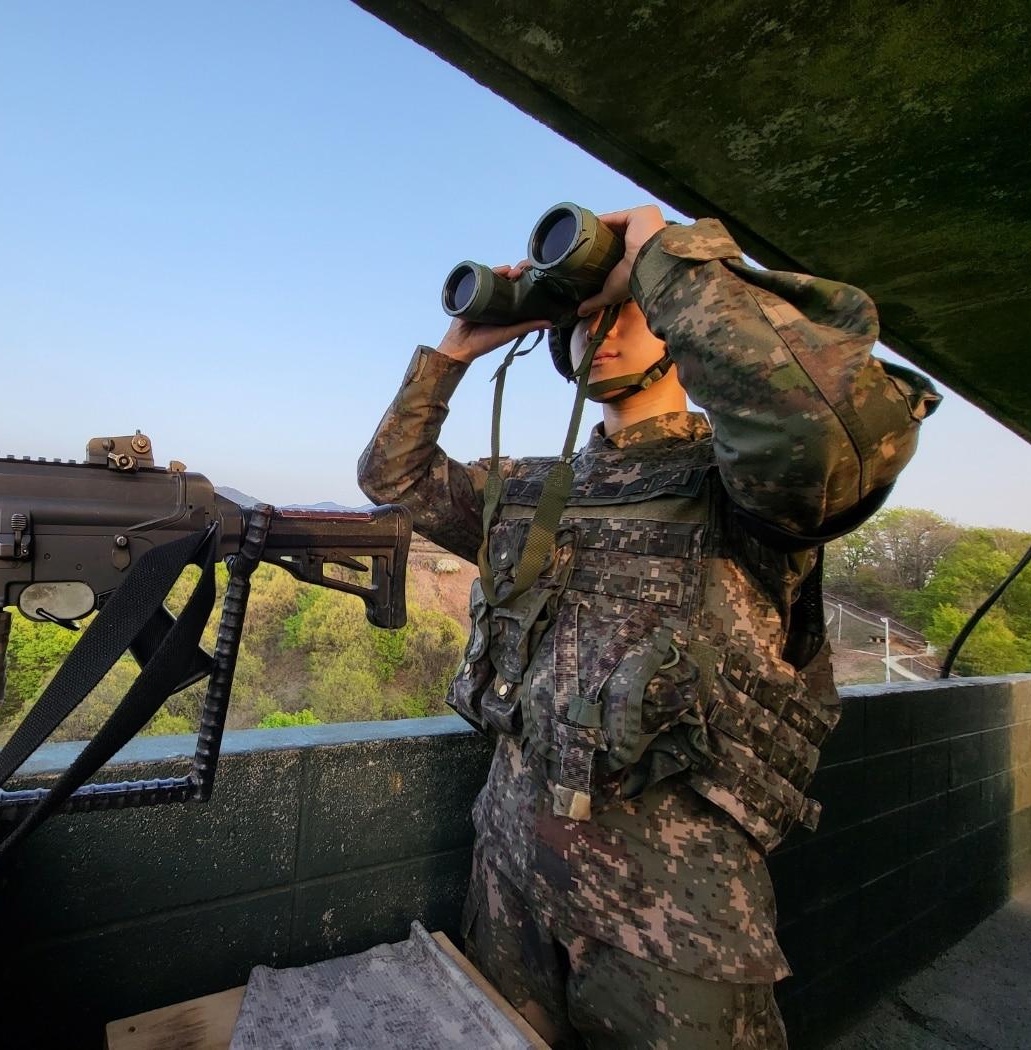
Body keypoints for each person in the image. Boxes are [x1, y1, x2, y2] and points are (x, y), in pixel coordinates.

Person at [357, 205, 939, 1048]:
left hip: (673, 920)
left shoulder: (743, 487)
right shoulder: (524, 489)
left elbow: (819, 434)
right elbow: (393, 476)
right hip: (512, 874)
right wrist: (456, 351)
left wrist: (671, 264)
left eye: (628, 312)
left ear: (677, 330)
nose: (607, 331)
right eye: (588, 319)